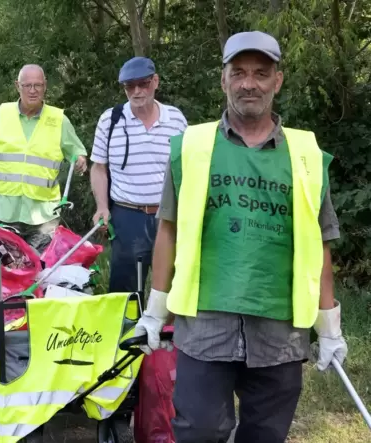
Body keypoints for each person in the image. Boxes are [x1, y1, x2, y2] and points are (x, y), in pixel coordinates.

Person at [134, 31, 349, 442]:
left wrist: (330, 328)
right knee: (198, 431)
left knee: (266, 435)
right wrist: (155, 312)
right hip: (204, 328)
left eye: (261, 73)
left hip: (280, 334)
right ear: (224, 80)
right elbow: (169, 231)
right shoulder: (192, 147)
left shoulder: (305, 155)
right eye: (239, 72)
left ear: (277, 82)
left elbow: (318, 245)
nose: (249, 82)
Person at [0, 64, 88, 252]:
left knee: (39, 273)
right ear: (18, 86)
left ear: (45, 86)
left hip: (43, 216)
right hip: (3, 213)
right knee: (3, 271)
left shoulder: (59, 120)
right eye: (27, 85)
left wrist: (80, 160)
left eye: (38, 85)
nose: (33, 91)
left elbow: (77, 152)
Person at [89, 56, 187, 293]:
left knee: (174, 287)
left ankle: (170, 330)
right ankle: (129, 330)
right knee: (126, 293)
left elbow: (186, 168)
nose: (136, 91)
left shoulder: (176, 119)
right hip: (127, 217)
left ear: (155, 82)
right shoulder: (110, 120)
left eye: (142, 84)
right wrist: (102, 206)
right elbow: (99, 167)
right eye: (129, 86)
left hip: (169, 216)